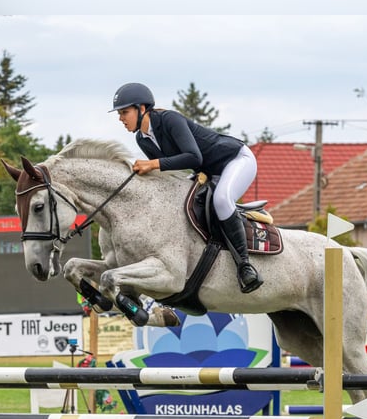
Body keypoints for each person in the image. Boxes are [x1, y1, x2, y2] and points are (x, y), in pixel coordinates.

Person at [111, 82, 263, 293]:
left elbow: (193, 156)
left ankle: (245, 266)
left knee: (221, 199)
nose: (121, 118)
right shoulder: (142, 139)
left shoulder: (169, 120)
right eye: (120, 113)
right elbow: (170, 171)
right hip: (207, 171)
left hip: (234, 160)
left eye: (124, 112)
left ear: (142, 108)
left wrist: (153, 164)